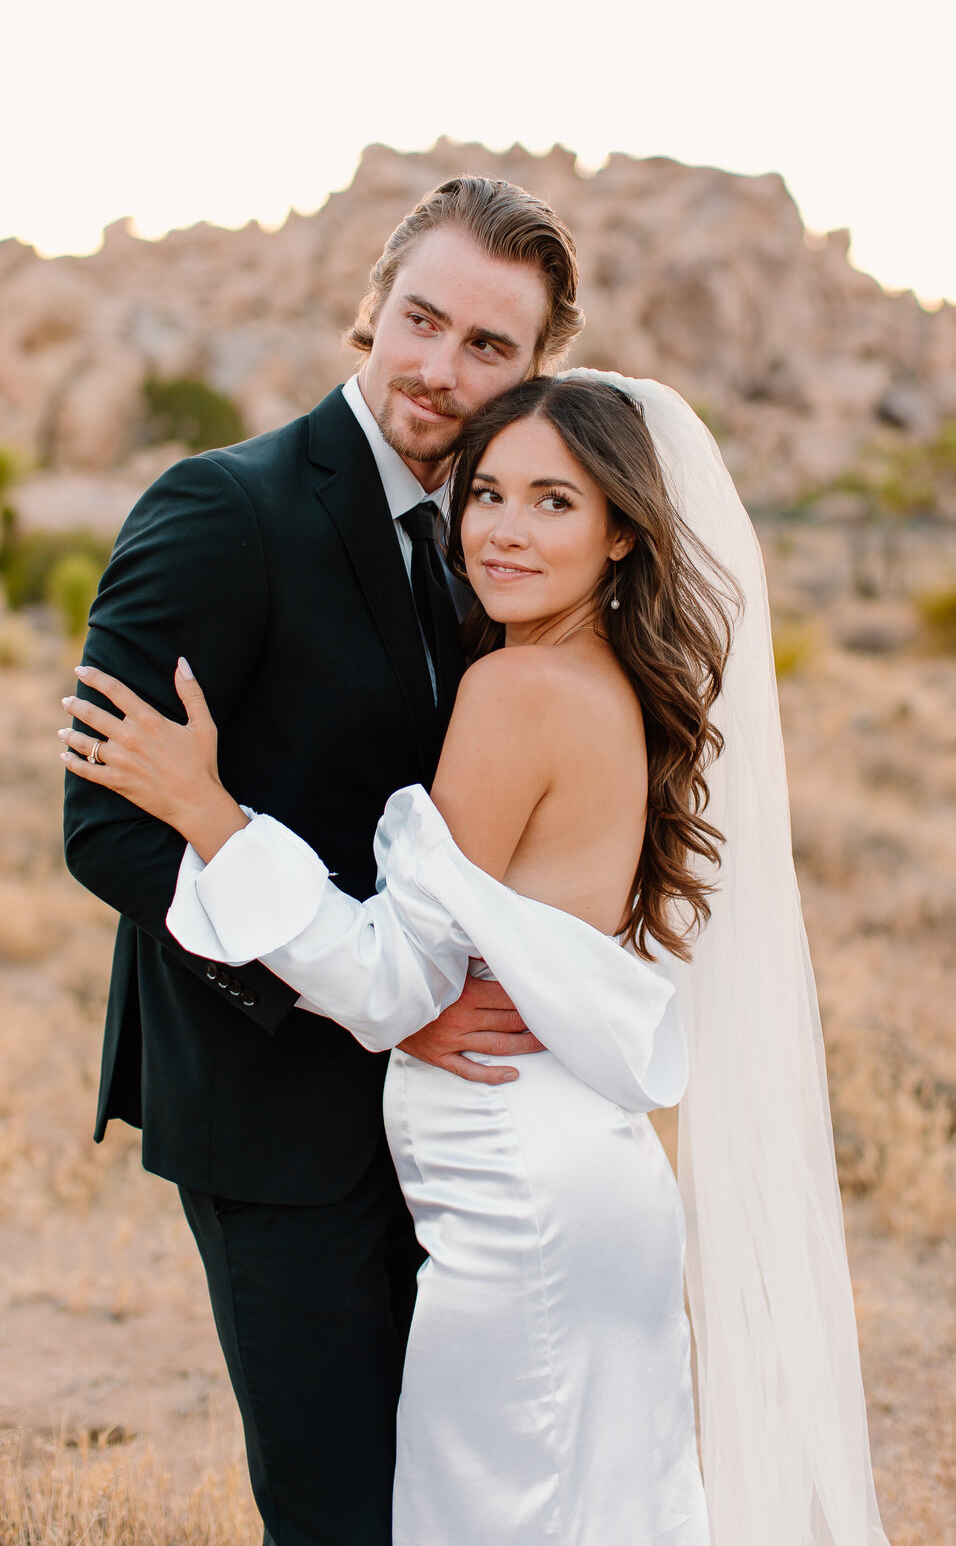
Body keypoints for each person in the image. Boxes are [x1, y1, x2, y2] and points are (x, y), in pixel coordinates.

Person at [61, 375, 893, 1544]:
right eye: (488, 491)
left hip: (515, 1196)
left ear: (620, 534)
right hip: (588, 1174)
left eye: (555, 501)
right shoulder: (619, 686)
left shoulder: (513, 690)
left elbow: (396, 981)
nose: (503, 529)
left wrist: (211, 816)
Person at [61, 176, 584, 1546]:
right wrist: (357, 998)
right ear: (368, 311)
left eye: (490, 348)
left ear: (538, 373)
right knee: (339, 1511)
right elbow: (107, 822)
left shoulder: (506, 542)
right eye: (422, 320)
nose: (440, 368)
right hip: (273, 1113)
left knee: (450, 1499)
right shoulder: (222, 508)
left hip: (461, 1126)